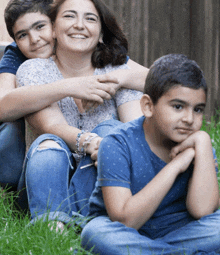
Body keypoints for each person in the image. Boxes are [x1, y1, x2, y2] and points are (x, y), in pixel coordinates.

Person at [16, 0, 146, 225]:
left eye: (90, 18)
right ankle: (52, 225)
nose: (79, 25)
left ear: (101, 33)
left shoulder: (117, 72)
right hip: (45, 180)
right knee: (49, 142)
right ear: (53, 29)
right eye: (69, 16)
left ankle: (85, 223)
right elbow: (50, 125)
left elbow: (134, 132)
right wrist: (89, 142)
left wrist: (122, 78)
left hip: (99, 181)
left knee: (113, 132)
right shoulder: (35, 69)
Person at [81, 54, 220, 255]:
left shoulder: (199, 144)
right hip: (128, 232)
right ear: (148, 106)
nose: (189, 119)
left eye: (198, 109)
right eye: (178, 107)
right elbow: (126, 220)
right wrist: (176, 165)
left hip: (182, 231)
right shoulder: (116, 144)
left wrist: (204, 142)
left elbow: (203, 210)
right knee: (95, 233)